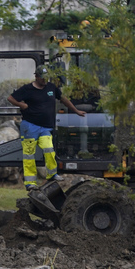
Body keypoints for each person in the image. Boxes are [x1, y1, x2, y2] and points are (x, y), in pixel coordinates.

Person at [8, 64, 84, 207]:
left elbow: (63, 99)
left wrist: (76, 110)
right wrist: (22, 105)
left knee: (49, 149)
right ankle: (30, 182)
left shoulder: (51, 88)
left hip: (45, 127)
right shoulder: (27, 89)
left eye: (46, 78)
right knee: (29, 154)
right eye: (42, 78)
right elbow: (10, 98)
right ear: (36, 76)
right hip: (30, 126)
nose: (45, 81)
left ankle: (52, 173)